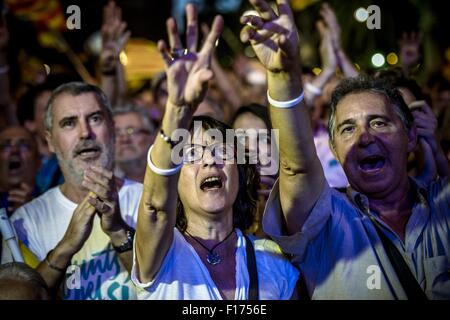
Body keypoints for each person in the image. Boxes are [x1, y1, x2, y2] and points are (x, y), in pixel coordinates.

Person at [240, 0, 450, 299]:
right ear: (334, 150)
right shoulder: (324, 221)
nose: (365, 138)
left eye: (378, 123)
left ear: (412, 136)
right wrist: (284, 75)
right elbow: (296, 167)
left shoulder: (442, 205)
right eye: (348, 129)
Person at [131, 4, 299, 300]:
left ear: (240, 170)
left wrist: (285, 74)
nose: (210, 159)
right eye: (191, 154)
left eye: (221, 150)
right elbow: (155, 209)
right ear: (174, 180)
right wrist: (176, 111)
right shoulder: (160, 254)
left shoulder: (274, 261)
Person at [1, 82, 142, 300]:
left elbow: (171, 287)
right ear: (49, 141)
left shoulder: (148, 201)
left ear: (112, 128)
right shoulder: (26, 223)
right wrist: (67, 246)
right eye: (69, 123)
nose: (85, 132)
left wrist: (118, 232)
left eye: (95, 119)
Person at [0, 126, 40, 215]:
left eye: (24, 145)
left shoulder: (52, 205)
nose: (14, 150)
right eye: (6, 145)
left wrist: (34, 213)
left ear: (38, 162)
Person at [113, 104, 156, 182]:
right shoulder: (103, 187)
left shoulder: (174, 180)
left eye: (132, 131)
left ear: (152, 137)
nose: (125, 139)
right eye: (116, 133)